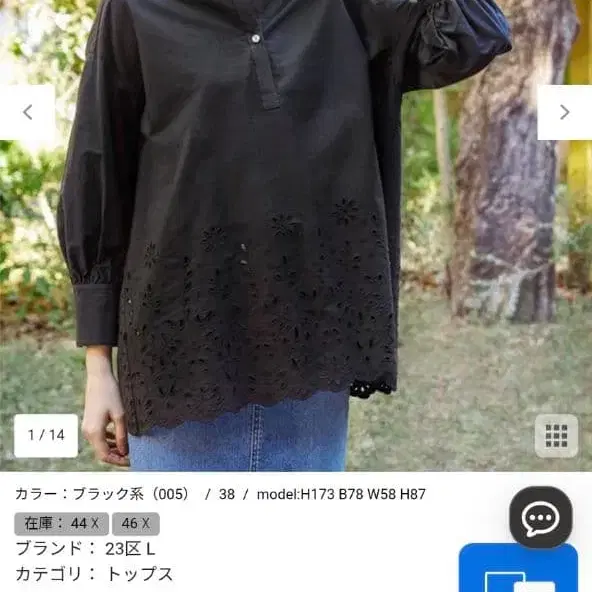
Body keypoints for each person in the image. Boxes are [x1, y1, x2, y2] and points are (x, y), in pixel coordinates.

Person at [57, 0, 510, 471]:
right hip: (181, 348)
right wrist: (98, 365)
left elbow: (474, 33)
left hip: (312, 346)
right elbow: (98, 170)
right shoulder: (135, 8)